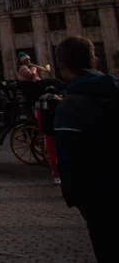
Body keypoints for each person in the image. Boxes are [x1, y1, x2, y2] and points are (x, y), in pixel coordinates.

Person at [53, 35, 118, 262]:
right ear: (95, 61)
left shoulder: (70, 105)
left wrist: (75, 198)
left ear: (61, 65)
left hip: (101, 197)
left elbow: (68, 158)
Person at [35, 86, 63, 185]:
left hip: (48, 131)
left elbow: (39, 117)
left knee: (52, 154)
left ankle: (56, 176)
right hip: (60, 130)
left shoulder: (41, 101)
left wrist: (41, 129)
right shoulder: (60, 100)